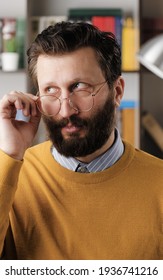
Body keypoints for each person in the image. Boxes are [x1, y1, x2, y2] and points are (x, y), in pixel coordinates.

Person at [0, 21, 163, 260]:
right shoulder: (10, 173)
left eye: (79, 87)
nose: (66, 111)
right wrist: (10, 154)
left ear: (117, 92)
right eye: (51, 91)